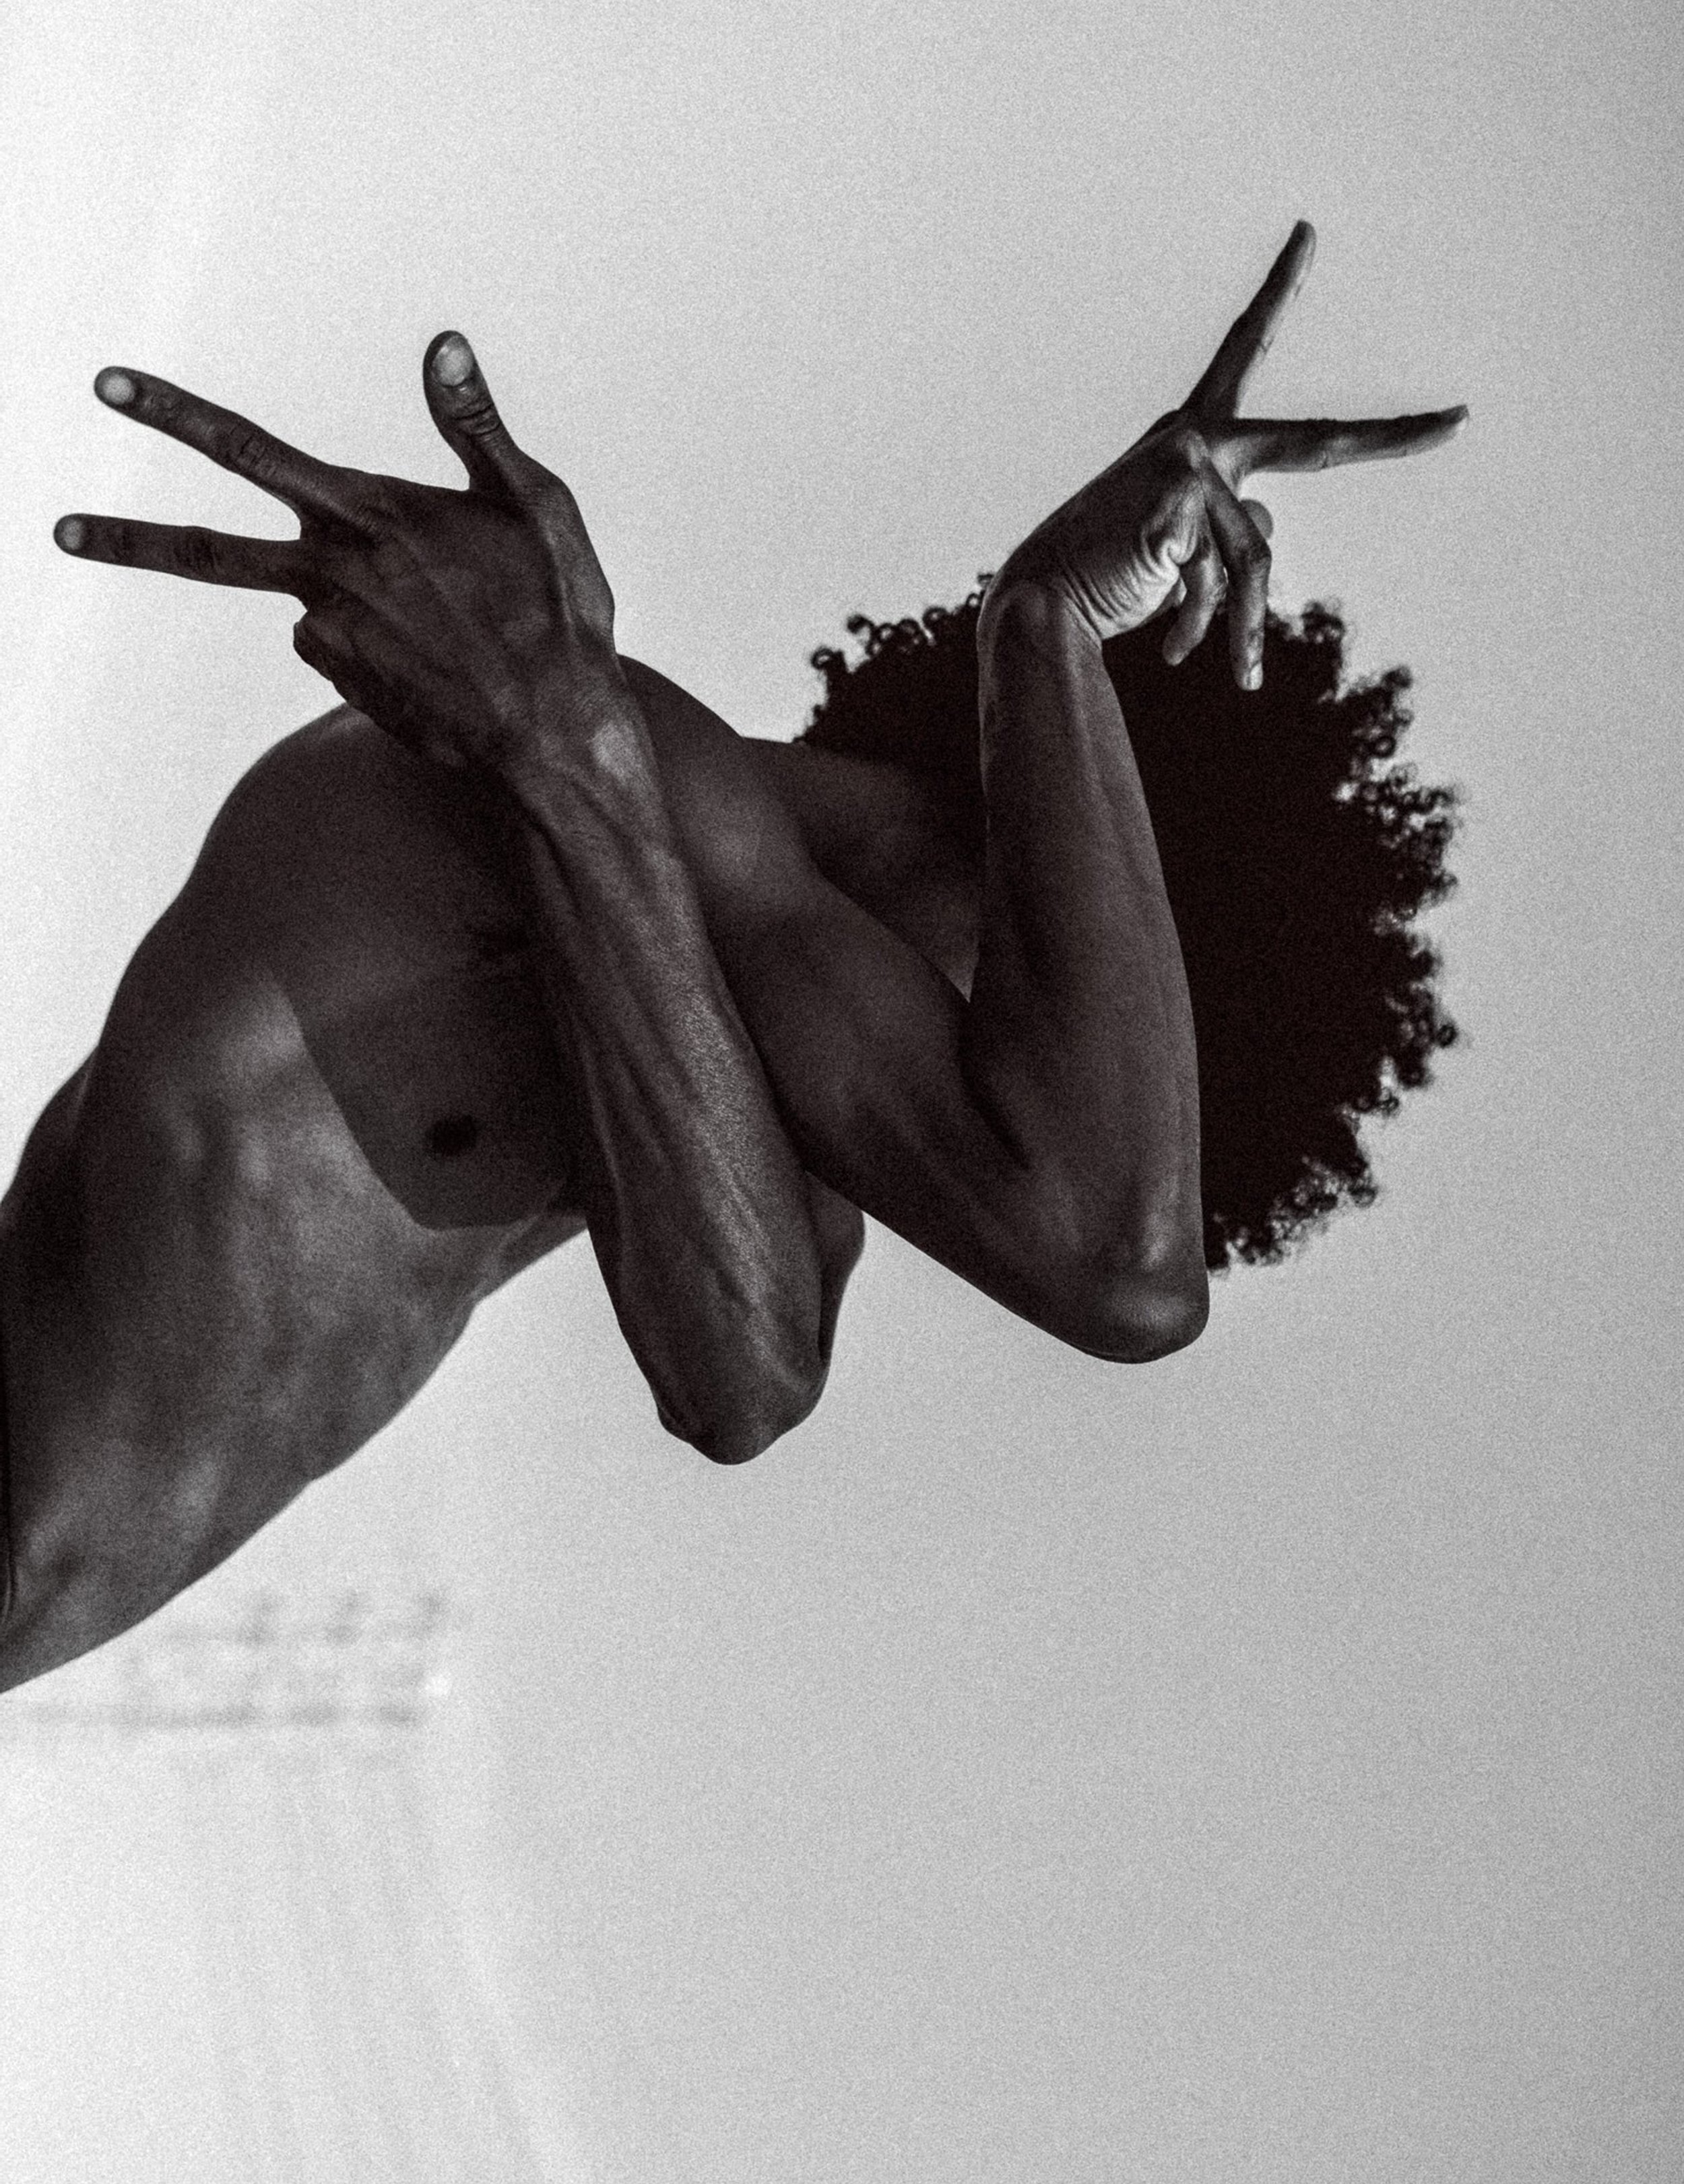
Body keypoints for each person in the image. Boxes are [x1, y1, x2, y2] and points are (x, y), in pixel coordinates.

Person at [0, 222, 1465, 1691]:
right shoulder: (619, 764)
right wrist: (1044, 626)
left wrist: (564, 748)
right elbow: (1119, 1266)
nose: (1066, 1105)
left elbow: (740, 1384)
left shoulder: (683, 956)